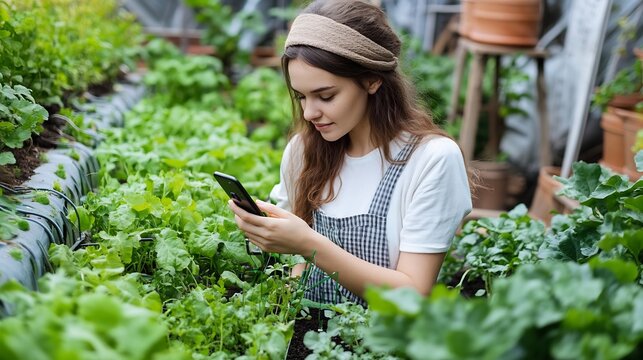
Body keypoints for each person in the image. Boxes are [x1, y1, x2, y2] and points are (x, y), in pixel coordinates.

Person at [229, 0, 472, 306]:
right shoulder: (303, 152)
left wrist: (307, 243)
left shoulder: (431, 160)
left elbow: (412, 295)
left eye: (326, 96)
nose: (309, 113)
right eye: (301, 97)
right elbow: (299, 274)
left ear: (372, 80)